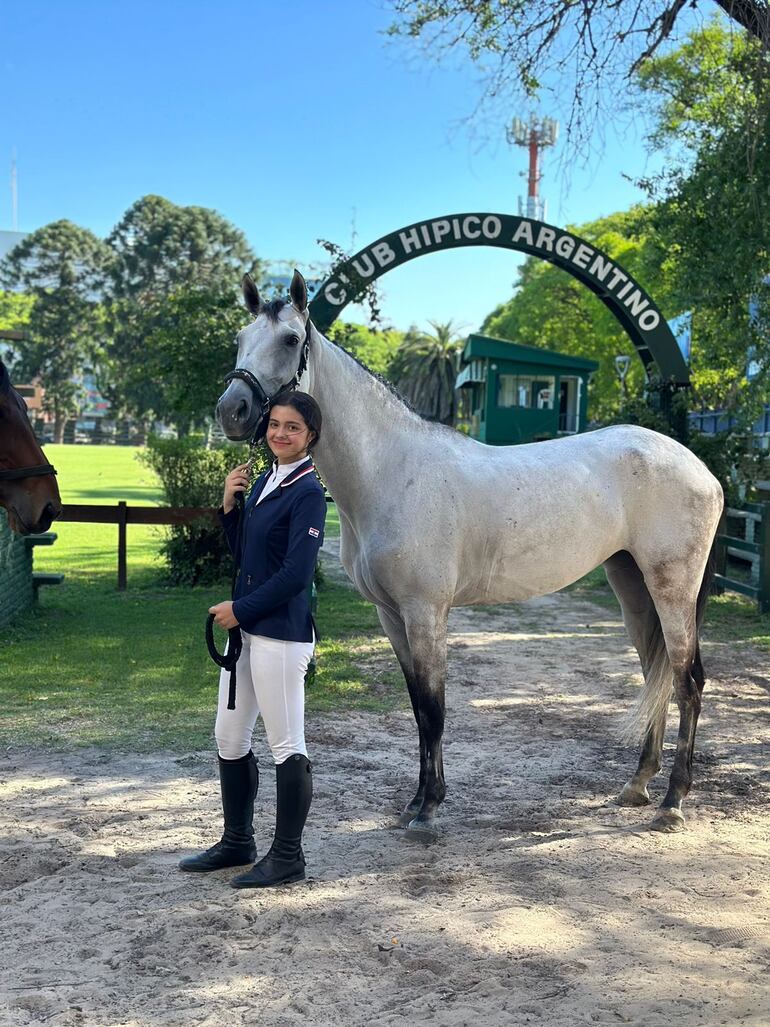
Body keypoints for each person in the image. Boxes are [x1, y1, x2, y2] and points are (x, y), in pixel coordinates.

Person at [179, 390, 326, 889]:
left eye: (293, 428)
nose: (281, 434)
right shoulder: (267, 479)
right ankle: (237, 840)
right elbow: (249, 555)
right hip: (249, 631)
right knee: (229, 736)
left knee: (286, 743)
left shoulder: (307, 491)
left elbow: (294, 574)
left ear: (310, 437)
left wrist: (239, 609)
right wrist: (229, 505)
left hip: (281, 636)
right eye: (276, 424)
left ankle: (287, 857)